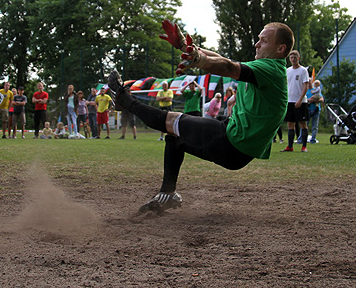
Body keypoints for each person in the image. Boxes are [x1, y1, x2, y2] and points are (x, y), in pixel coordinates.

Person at [107, 20, 291, 214]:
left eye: (263, 41)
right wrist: (185, 47)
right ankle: (167, 194)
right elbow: (221, 59)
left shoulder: (271, 69)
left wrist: (198, 59)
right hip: (236, 143)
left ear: (281, 48)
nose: (257, 44)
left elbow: (227, 67)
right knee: (175, 137)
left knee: (171, 121)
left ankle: (125, 100)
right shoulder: (266, 67)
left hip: (234, 142)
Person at [281, 50, 310, 153]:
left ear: (298, 58)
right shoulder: (287, 70)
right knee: (290, 124)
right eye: (291, 58)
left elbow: (305, 86)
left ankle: (304, 146)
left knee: (303, 123)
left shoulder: (303, 70)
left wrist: (300, 99)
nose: (293, 59)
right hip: (290, 101)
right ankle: (290, 146)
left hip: (300, 101)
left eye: (295, 58)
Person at [306, 79, 324, 143]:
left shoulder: (316, 90)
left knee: (315, 126)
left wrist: (314, 100)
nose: (309, 84)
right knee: (305, 125)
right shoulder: (305, 90)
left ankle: (313, 139)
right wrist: (309, 100)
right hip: (308, 109)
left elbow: (321, 99)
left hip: (316, 110)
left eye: (310, 82)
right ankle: (302, 138)